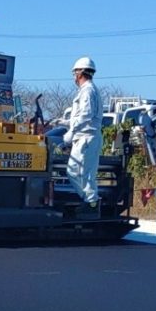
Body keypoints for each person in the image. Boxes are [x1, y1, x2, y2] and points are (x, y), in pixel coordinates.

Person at [62, 56, 102, 217]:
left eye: (74, 73)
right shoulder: (90, 90)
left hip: (85, 138)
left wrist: (71, 132)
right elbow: (83, 115)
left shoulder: (87, 91)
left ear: (80, 73)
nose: (74, 77)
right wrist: (61, 122)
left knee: (74, 171)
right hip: (89, 137)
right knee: (87, 174)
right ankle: (90, 203)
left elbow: (85, 115)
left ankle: (91, 203)